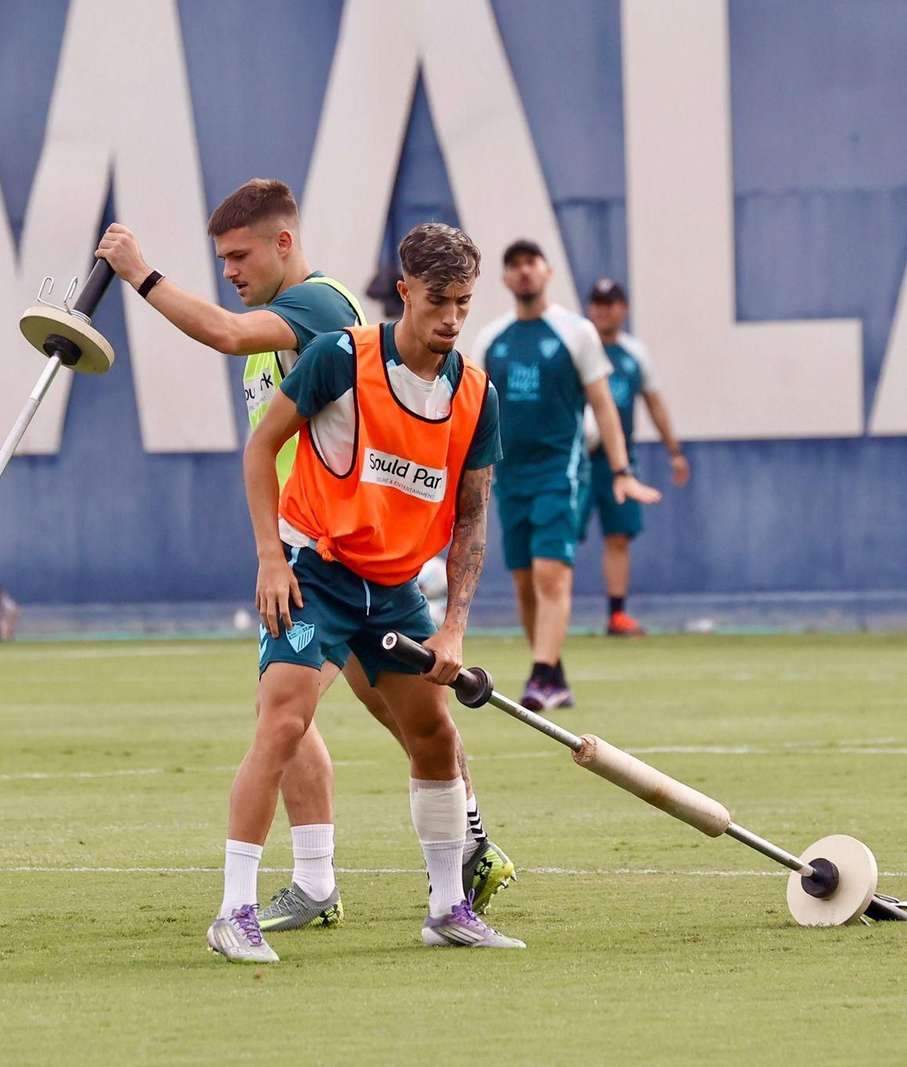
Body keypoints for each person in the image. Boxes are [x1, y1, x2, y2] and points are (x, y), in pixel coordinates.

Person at [96, 181, 514, 929]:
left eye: (239, 254)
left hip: (343, 553)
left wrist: (140, 273)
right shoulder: (296, 326)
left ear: (284, 244)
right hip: (307, 548)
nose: (229, 268)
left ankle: (458, 853)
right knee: (304, 714)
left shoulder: (318, 311)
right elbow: (264, 441)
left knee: (394, 718)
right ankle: (330, 878)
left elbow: (223, 331)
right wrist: (272, 550)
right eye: (220, 257)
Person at [208, 222, 520, 963]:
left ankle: (448, 907)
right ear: (405, 291)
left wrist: (454, 630)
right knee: (282, 724)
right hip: (314, 570)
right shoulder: (340, 359)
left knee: (436, 736)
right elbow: (260, 448)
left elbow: (472, 518)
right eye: (438, 300)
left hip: (396, 586)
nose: (450, 319)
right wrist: (269, 560)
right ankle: (234, 912)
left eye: (464, 304)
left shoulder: (475, 395)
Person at [469, 242, 660, 711]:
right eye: (514, 265)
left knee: (550, 573)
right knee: (523, 582)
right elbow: (472, 412)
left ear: (548, 271)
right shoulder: (491, 339)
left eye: (531, 263)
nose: (524, 272)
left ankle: (539, 676)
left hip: (560, 473)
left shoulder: (577, 332)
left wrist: (620, 469)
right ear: (505, 278)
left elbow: (604, 407)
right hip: (507, 478)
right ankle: (554, 675)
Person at [580, 279, 690, 636]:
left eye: (611, 303)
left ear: (623, 308)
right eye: (597, 303)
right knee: (560, 537)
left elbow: (654, 402)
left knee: (618, 536)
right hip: (578, 459)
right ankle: (549, 611)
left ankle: (617, 614)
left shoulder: (633, 353)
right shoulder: (578, 348)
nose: (604, 310)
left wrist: (674, 450)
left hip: (618, 463)